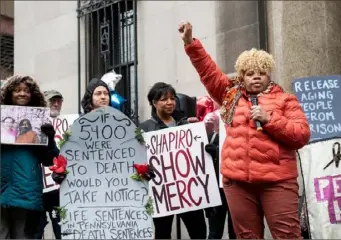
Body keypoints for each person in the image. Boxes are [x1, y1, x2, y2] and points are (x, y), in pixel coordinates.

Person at [179, 21, 311, 239]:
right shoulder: (229, 94)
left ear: (269, 74)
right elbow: (208, 71)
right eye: (250, 73)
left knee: (287, 235)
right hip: (237, 182)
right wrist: (190, 43)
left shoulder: (286, 100)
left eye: (261, 72)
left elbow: (302, 135)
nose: (256, 77)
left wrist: (270, 120)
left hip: (277, 182)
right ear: (242, 76)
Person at [139, 82, 206, 239]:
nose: (170, 103)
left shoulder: (186, 123)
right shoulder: (145, 128)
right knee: (163, 234)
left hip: (187, 190)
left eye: (172, 98)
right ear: (154, 103)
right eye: (164, 99)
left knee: (199, 232)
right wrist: (145, 169)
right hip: (163, 193)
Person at [0, 75, 59, 239]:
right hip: (2, 187)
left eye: (26, 91)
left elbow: (49, 160)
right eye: (17, 90)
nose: (22, 94)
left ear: (32, 94)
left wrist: (49, 139)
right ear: (9, 94)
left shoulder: (39, 125)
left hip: (26, 190)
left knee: (23, 236)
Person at [202, 110, 236, 240]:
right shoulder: (210, 120)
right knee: (215, 233)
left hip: (235, 186)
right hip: (216, 188)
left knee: (235, 232)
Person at [36, 90, 64, 239]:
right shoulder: (34, 124)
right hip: (39, 188)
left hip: (58, 188)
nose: (56, 104)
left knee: (61, 229)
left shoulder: (67, 125)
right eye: (52, 100)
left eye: (59, 101)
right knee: (36, 230)